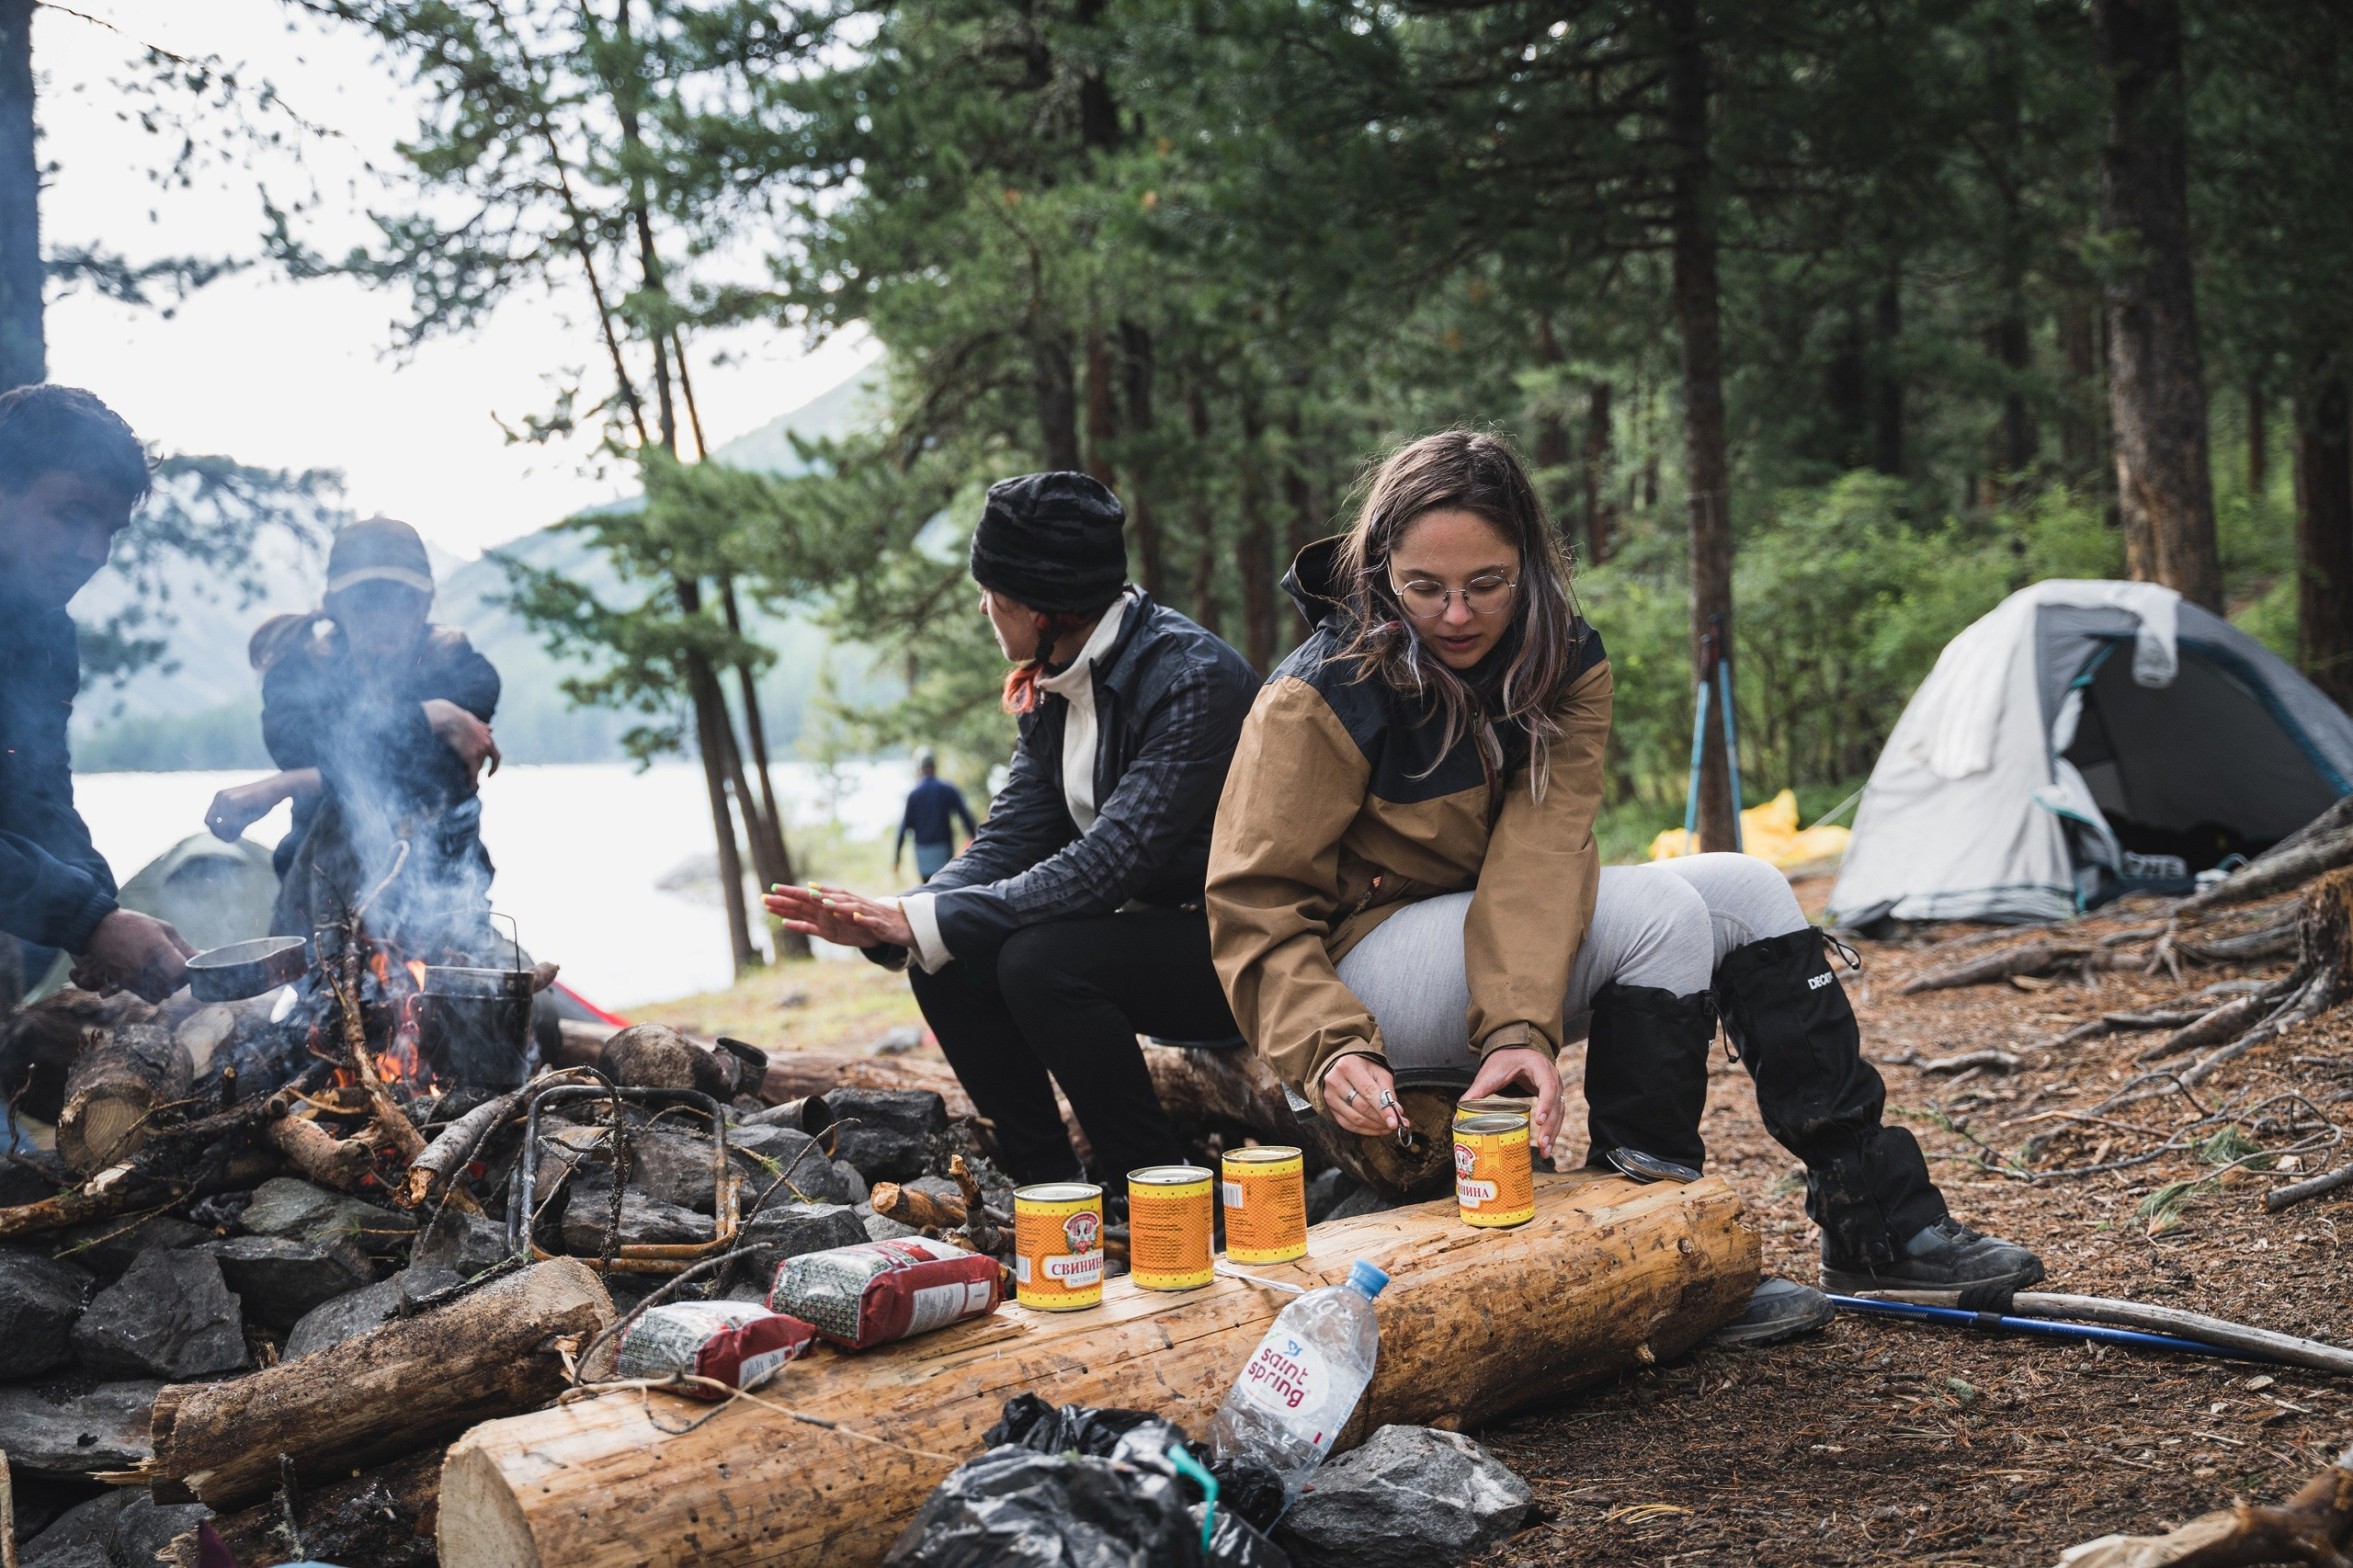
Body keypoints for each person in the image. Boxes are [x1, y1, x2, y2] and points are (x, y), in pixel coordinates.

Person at [1206, 430, 2044, 1297]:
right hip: (1349, 1001)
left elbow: (1541, 856)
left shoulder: (1562, 661)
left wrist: (1518, 1030)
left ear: (1530, 566)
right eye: (1425, 589)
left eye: (1486, 585)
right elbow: (1253, 905)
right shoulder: (1321, 693)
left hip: (1482, 955)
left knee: (1748, 890)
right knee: (1657, 915)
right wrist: (1329, 1047)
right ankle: (1655, 1260)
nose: (1456, 615)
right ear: (1382, 570)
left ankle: (1878, 1225)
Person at [766, 472, 1260, 1185]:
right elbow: (1013, 836)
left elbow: (1108, 864)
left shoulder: (1191, 679)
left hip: (1247, 953)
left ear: (1041, 607)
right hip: (1159, 948)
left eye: (992, 593)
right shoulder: (1058, 679)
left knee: (1038, 960)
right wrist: (900, 919)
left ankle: (1158, 1190)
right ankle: (1051, 1194)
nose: (982, 606)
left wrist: (920, 918)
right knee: (946, 958)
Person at [206, 517, 505, 961]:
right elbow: (299, 744)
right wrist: (430, 716)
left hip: (446, 910)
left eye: (401, 601)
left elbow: (419, 772)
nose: (385, 617)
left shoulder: (464, 672)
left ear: (425, 603)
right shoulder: (297, 673)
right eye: (367, 601)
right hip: (316, 913)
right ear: (334, 606)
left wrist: (284, 784)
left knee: (525, 1012)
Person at [0, 385, 193, 1003]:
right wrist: (90, 922)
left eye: (109, 529)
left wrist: (98, 910)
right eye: (71, 514)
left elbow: (38, 796)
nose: (93, 553)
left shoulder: (43, 631)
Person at [893, 747, 976, 881]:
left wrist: (897, 858)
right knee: (944, 887)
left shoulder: (913, 795)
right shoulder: (948, 789)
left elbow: (904, 828)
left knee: (927, 889)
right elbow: (965, 817)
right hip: (943, 851)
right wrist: (976, 841)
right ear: (935, 766)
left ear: (918, 769)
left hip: (923, 855)